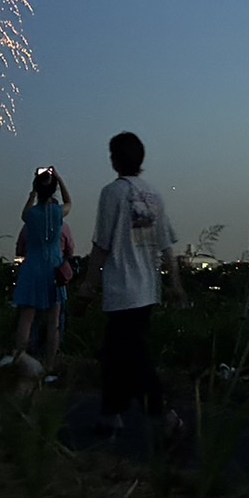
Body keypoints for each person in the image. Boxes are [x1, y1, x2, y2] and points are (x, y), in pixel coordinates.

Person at [79, 131, 187, 439]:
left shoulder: (111, 193)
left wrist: (88, 287)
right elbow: (167, 246)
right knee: (116, 354)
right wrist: (175, 285)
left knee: (132, 358)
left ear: (114, 159)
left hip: (122, 288)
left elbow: (102, 244)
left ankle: (164, 418)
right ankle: (109, 417)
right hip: (147, 289)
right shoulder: (153, 195)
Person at [10, 167, 72, 374]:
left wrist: (32, 193)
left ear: (36, 189)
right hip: (52, 267)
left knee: (26, 318)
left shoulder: (31, 215)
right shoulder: (58, 213)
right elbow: (69, 202)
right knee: (53, 320)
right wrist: (59, 179)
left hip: (32, 268)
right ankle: (49, 365)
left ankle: (19, 360)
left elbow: (24, 213)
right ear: (53, 190)